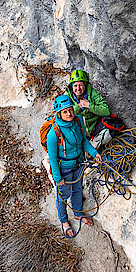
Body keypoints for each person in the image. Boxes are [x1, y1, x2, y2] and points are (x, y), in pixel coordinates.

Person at [45, 96, 99, 238]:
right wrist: (58, 178)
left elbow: (84, 141)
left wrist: (94, 153)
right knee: (63, 195)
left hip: (79, 163)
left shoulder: (78, 121)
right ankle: (64, 221)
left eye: (70, 110)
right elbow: (53, 158)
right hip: (64, 168)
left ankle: (77, 214)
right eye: (65, 112)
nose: (69, 114)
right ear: (59, 114)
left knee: (77, 190)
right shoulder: (53, 134)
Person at [66, 69, 114, 147]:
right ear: (71, 86)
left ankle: (91, 147)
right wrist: (78, 108)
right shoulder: (67, 97)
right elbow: (63, 116)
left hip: (93, 128)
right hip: (77, 131)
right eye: (75, 86)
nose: (78, 89)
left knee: (109, 132)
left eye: (80, 85)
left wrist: (90, 106)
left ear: (85, 85)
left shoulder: (92, 93)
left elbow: (106, 111)